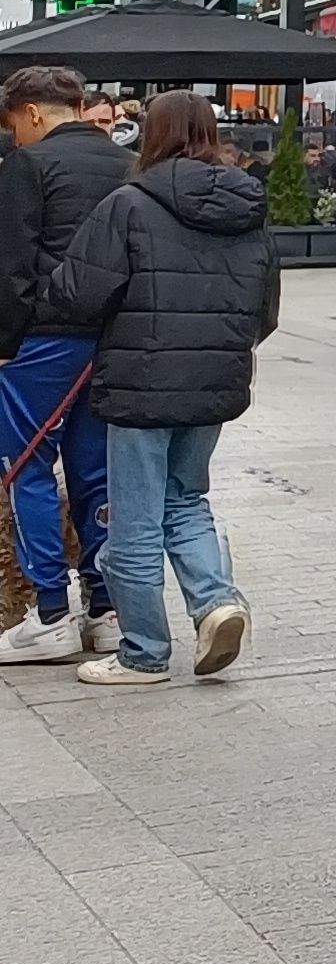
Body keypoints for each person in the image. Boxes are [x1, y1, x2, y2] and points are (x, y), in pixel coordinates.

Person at [48, 91, 274, 684]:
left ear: (151, 133)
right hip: (214, 386)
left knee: (135, 521)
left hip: (140, 385)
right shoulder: (248, 206)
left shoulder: (129, 203)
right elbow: (265, 310)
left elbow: (78, 295)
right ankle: (216, 603)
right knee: (186, 501)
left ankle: (144, 652)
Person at [0, 63, 124, 662]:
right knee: (93, 472)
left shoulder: (29, 164)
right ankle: (104, 607)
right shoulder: (125, 163)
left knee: (23, 467)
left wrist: (4, 341)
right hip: (113, 338)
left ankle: (50, 609)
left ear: (31, 114)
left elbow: (13, 264)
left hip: (43, 339)